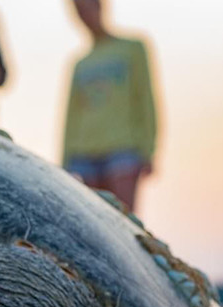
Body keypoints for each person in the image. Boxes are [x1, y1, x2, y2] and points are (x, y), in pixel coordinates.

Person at [63, 0, 158, 212]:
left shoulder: (133, 48)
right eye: (79, 11)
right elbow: (71, 115)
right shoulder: (80, 64)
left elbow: (145, 98)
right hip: (83, 154)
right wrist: (64, 162)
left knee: (125, 225)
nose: (85, 15)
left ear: (101, 6)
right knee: (93, 226)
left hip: (123, 150)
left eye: (88, 7)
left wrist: (149, 149)